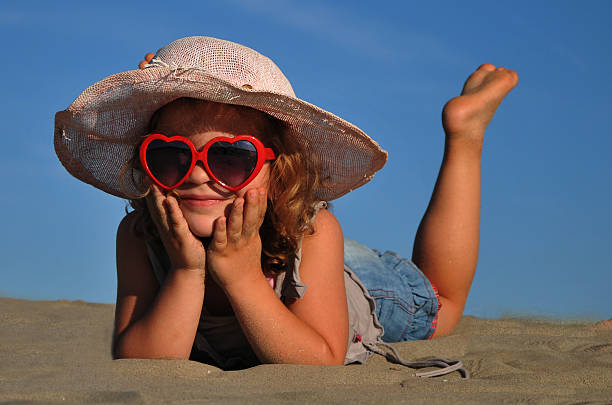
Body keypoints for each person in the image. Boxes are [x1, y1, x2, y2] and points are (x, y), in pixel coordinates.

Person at [54, 36, 517, 372]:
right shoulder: (140, 234)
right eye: (170, 154)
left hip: (341, 280)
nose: (196, 174)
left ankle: (465, 135)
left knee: (443, 304)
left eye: (231, 157)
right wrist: (187, 272)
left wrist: (240, 278)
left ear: (278, 171)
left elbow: (321, 360)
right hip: (281, 256)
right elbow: (139, 359)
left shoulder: (314, 233)